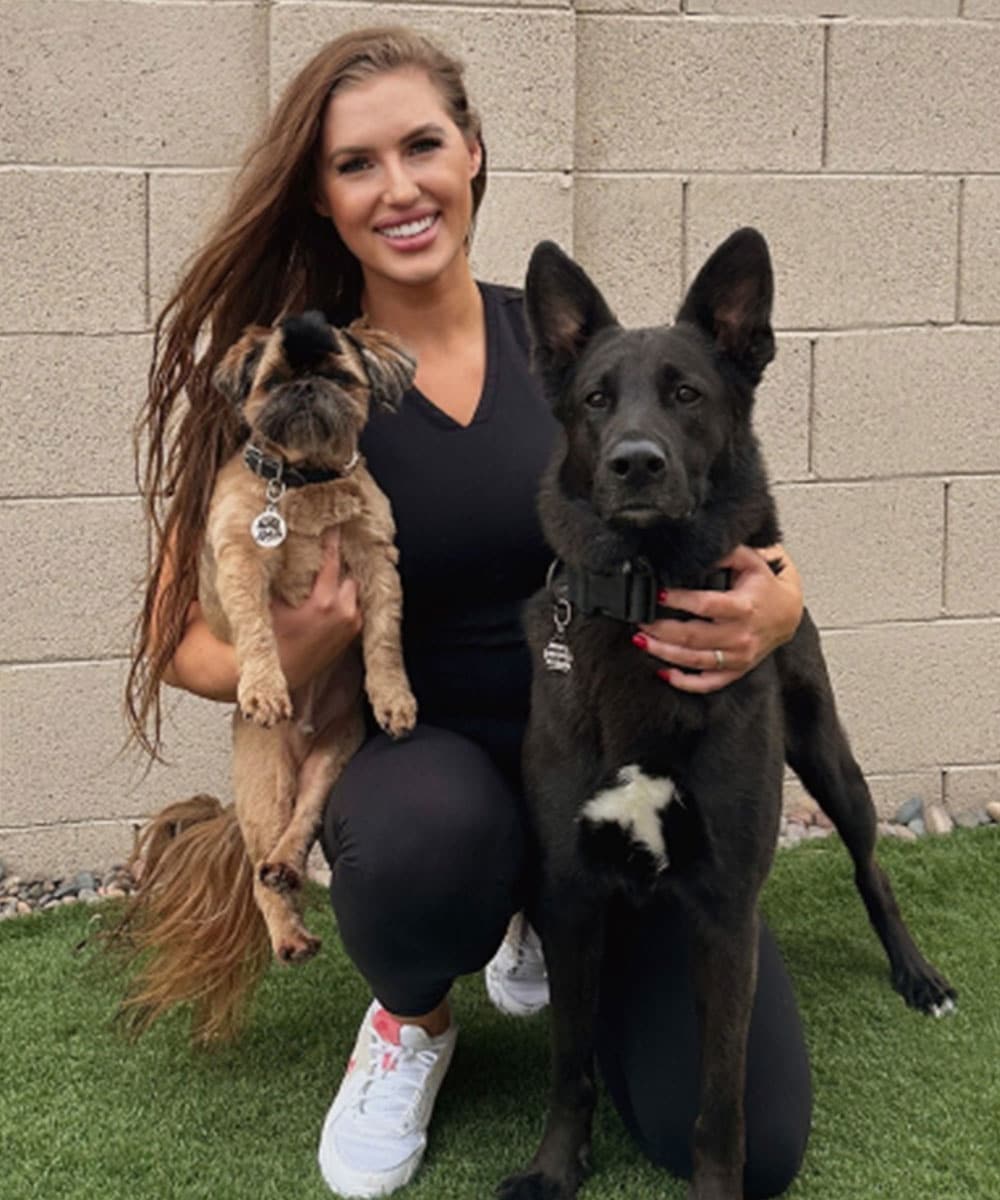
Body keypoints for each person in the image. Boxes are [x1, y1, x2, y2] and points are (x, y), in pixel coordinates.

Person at [128, 25, 812, 1200]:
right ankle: (415, 1017)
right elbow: (176, 644)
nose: (398, 187)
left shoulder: (564, 350)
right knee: (421, 846)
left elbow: (740, 522)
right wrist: (299, 639)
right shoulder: (302, 381)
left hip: (615, 753)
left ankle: (558, 927)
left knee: (752, 1148)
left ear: (474, 154)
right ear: (321, 194)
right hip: (425, 753)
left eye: (423, 145)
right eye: (356, 163)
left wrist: (780, 608)